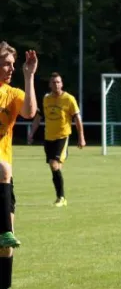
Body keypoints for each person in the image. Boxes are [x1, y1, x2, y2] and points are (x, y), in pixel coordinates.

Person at [0, 42, 38, 289]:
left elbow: (29, 113)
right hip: (2, 170)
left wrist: (29, 75)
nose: (11, 67)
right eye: (6, 62)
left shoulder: (11, 93)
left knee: (6, 244)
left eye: (14, 63)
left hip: (3, 178)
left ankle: (4, 287)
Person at [29, 72, 86, 207]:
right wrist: (31, 132)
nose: (56, 84)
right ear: (50, 84)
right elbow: (38, 117)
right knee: (55, 167)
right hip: (48, 137)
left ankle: (61, 198)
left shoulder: (69, 99)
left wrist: (81, 137)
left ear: (62, 84)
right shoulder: (46, 99)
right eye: (53, 82)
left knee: (54, 165)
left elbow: (77, 118)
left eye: (58, 82)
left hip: (62, 137)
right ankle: (60, 196)